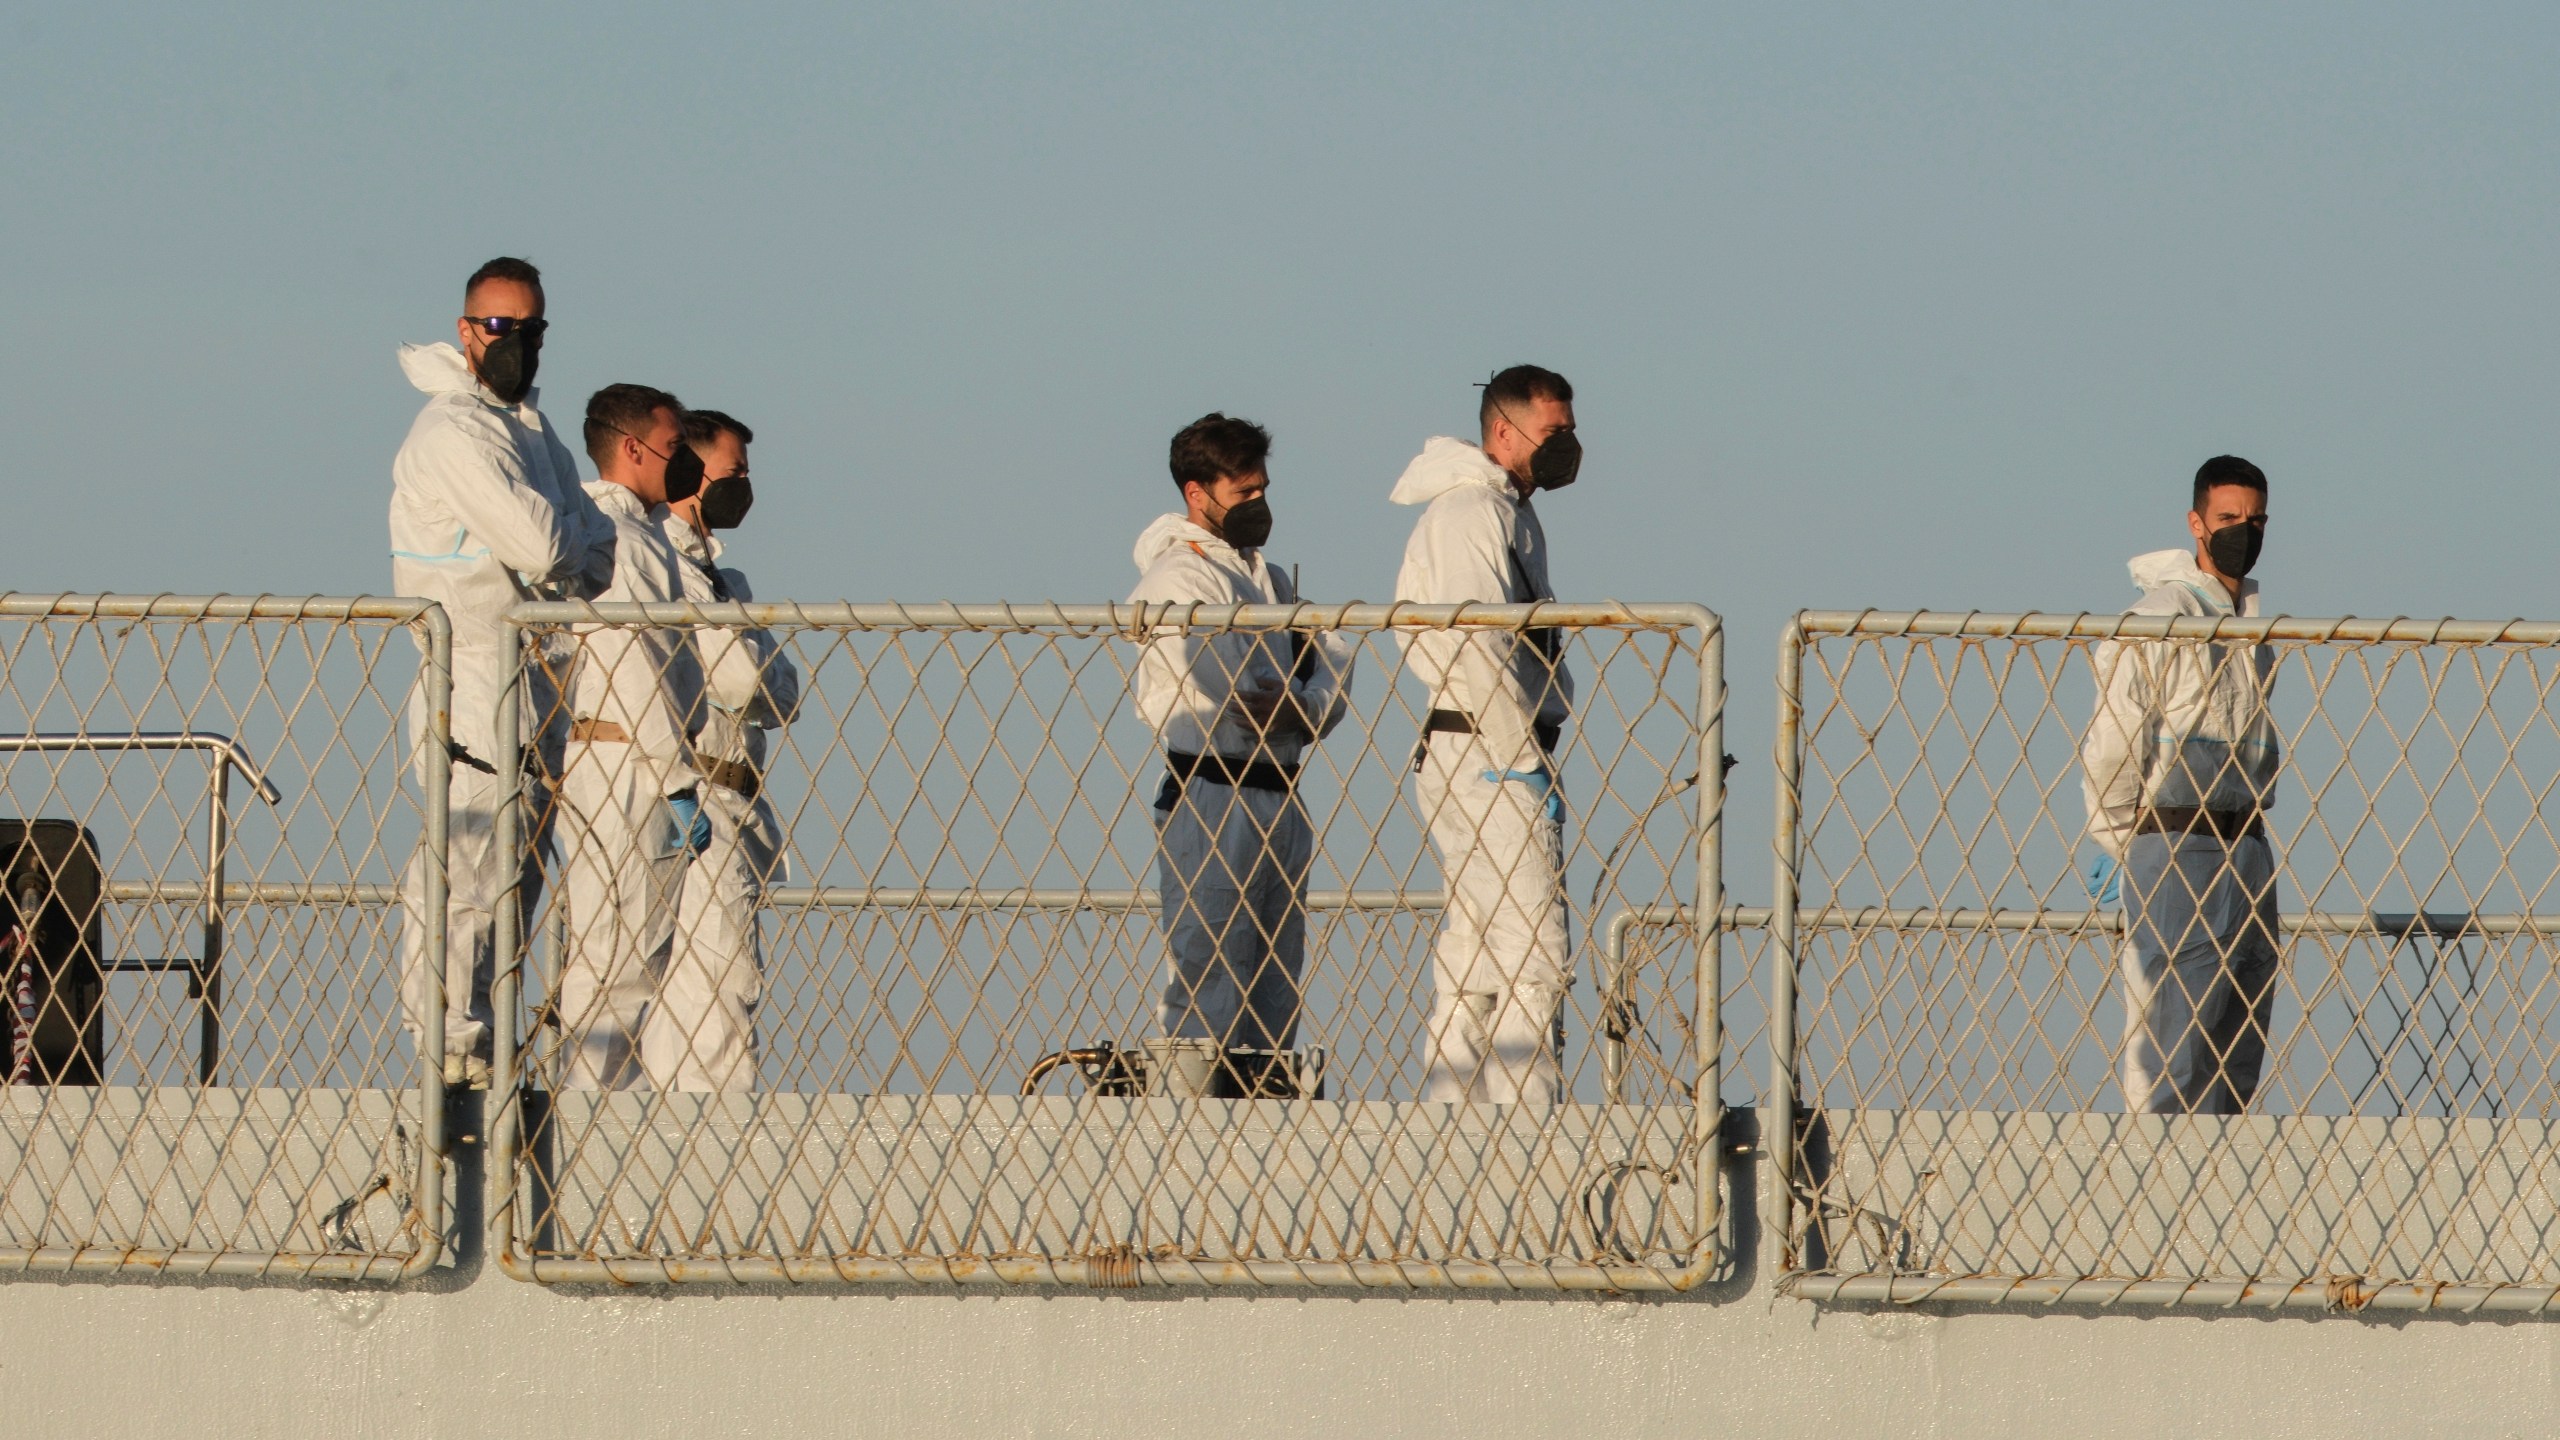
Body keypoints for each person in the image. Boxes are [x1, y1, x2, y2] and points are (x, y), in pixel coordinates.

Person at [389, 257, 615, 1089]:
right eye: (497, 327)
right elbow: (553, 547)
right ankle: (447, 1045)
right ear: (465, 330)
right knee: (468, 866)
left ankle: (487, 1053)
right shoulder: (453, 431)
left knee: (518, 876)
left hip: (541, 675)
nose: (513, 343)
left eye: (529, 330)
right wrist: (562, 539)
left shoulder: (532, 431)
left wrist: (563, 539)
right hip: (474, 676)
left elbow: (600, 551)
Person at [1127, 414, 1351, 1098]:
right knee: (1209, 971)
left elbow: (1334, 659)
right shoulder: (1177, 576)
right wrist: (1291, 698)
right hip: (1211, 790)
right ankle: (1192, 1129)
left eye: (1263, 490)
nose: (1259, 505)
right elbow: (1224, 684)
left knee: (1275, 982)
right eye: (1243, 492)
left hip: (1281, 791)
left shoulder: (1271, 580)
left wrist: (1302, 706)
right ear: (1199, 493)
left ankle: (1263, 1130)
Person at [1389, 366, 1581, 1105]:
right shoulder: (1472, 511)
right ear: (1503, 433)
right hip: (1487, 746)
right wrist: (1519, 757)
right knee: (1536, 954)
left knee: (1473, 957)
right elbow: (1479, 641)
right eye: (1553, 433)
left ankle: (1455, 1123)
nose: (1567, 445)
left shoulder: (1508, 510)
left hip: (1477, 747)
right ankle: (1526, 1128)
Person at [2080, 455, 2282, 1114]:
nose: (2241, 532)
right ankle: (2162, 1197)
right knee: (2174, 1047)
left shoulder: (2253, 627)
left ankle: (2222, 1196)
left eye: (2255, 521)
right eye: (2228, 519)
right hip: (2176, 839)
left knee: (2238, 1042)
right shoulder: (2160, 616)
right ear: (2196, 523)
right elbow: (2114, 742)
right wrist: (2121, 846)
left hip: (2246, 842)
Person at [555, 385, 710, 1090]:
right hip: (631, 759)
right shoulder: (627, 540)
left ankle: (593, 1103)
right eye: (676, 449)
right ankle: (593, 1114)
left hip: (612, 754)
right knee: (624, 958)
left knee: (610, 952)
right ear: (632, 448)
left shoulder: (612, 530)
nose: (684, 466)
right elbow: (637, 662)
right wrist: (677, 778)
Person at [658, 410, 800, 1091]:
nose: (745, 486)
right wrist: (754, 667)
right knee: (715, 985)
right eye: (733, 472)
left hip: (741, 794)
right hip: (700, 793)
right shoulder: (671, 566)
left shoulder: (725, 580)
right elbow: (744, 680)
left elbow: (784, 694)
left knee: (719, 984)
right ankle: (712, 1141)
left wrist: (753, 669)